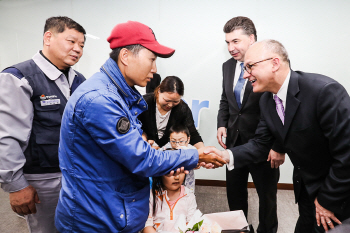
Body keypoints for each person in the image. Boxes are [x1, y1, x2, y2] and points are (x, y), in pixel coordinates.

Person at [54, 20, 226, 232]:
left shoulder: (120, 94)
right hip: (96, 219)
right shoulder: (100, 100)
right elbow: (141, 159)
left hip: (115, 209)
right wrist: (196, 156)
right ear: (125, 56)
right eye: (152, 59)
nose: (154, 69)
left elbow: (130, 150)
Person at [211, 39, 350, 233]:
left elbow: (346, 156)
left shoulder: (324, 92)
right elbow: (261, 144)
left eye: (250, 66)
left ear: (275, 63)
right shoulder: (267, 101)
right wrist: (224, 156)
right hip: (306, 190)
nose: (244, 75)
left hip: (337, 194)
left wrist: (327, 200)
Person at [0, 16, 86, 233]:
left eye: (82, 45)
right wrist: (16, 185)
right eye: (71, 41)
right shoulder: (20, 78)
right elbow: (6, 136)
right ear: (48, 37)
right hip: (43, 178)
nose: (77, 49)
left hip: (77, 174)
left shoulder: (79, 81)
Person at [217, 16, 282, 233]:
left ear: (252, 39)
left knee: (267, 198)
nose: (230, 47)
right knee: (234, 195)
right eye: (227, 42)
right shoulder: (227, 67)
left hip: (263, 145)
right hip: (234, 143)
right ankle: (240, 230)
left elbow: (281, 108)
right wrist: (221, 123)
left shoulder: (270, 67)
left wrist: (278, 146)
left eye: (235, 41)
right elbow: (225, 98)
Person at [138, 76, 204, 150]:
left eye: (175, 101)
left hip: (168, 154)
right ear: (159, 91)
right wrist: (144, 138)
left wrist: (203, 151)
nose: (170, 105)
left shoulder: (182, 108)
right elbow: (133, 127)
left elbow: (193, 135)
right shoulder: (144, 103)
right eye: (167, 100)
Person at [162, 124, 197, 193]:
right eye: (173, 141)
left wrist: (185, 152)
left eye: (181, 141)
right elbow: (160, 155)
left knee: (188, 193)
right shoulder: (167, 146)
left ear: (188, 139)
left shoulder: (192, 149)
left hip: (188, 178)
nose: (177, 144)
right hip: (171, 179)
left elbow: (196, 163)